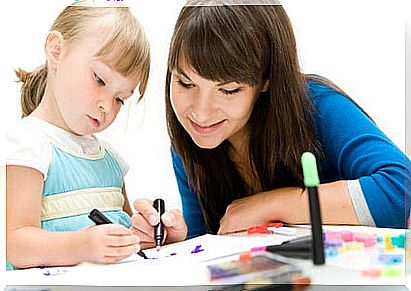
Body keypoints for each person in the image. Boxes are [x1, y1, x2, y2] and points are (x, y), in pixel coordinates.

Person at [131, 0, 410, 247]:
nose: (201, 113)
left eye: (229, 90)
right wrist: (174, 242)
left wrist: (269, 205)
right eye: (185, 82)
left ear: (266, 80)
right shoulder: (192, 141)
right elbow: (210, 243)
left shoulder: (318, 106)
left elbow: (402, 190)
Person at [6, 0, 150, 270]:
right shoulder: (26, 145)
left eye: (120, 99)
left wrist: (151, 233)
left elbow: (124, 235)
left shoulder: (111, 160)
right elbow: (14, 243)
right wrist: (78, 247)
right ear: (57, 50)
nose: (106, 107)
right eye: (99, 80)